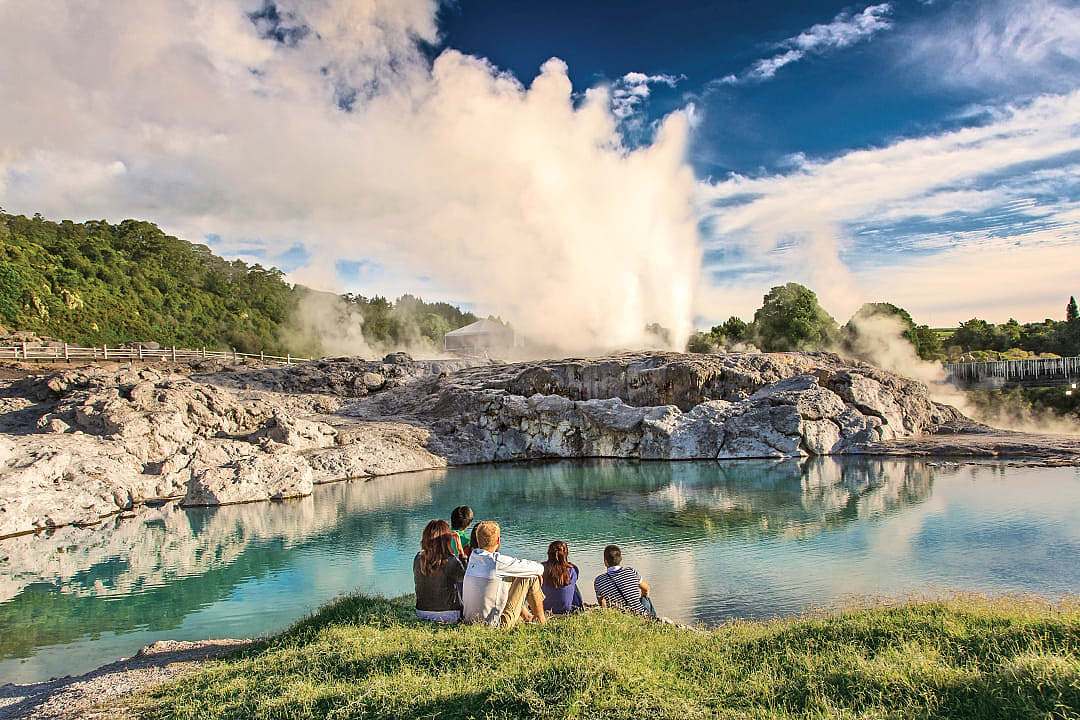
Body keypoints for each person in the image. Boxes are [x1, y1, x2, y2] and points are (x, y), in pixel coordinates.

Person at [461, 521, 547, 628]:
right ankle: (541, 621)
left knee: (509, 577)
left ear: (478, 540)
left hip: (470, 621)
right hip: (495, 625)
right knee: (531, 577)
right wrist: (536, 573)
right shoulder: (497, 562)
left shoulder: (473, 558)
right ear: (498, 540)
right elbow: (539, 568)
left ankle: (527, 617)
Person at [413, 519, 466, 623]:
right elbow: (466, 578)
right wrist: (461, 553)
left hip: (421, 612)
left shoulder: (418, 558)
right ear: (447, 539)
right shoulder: (451, 561)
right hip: (449, 615)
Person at [593, 544, 655, 617]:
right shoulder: (630, 571)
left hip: (619, 617)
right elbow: (646, 589)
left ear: (605, 562)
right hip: (640, 615)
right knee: (645, 599)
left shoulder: (599, 581)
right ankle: (654, 620)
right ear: (621, 559)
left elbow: (601, 602)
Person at [541, 540, 583, 615]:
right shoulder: (573, 569)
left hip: (544, 609)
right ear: (566, 554)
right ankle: (578, 609)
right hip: (566, 610)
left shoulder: (541, 568)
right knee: (574, 586)